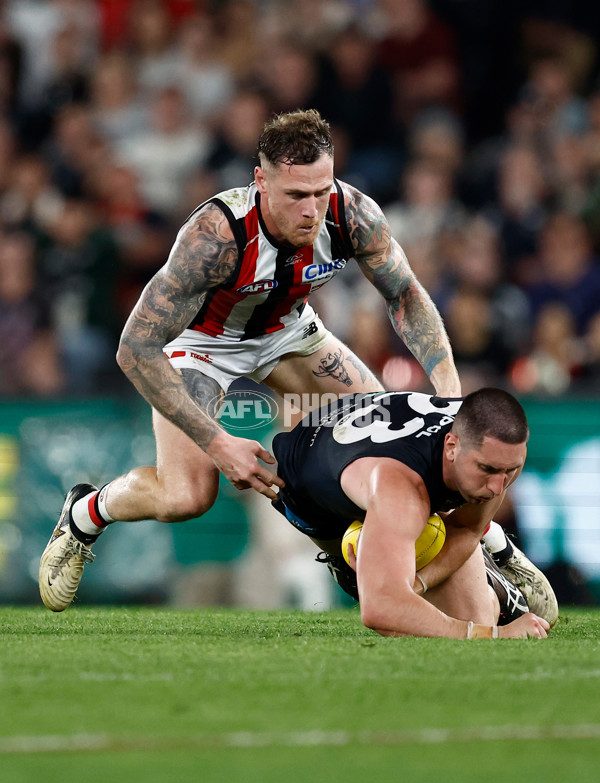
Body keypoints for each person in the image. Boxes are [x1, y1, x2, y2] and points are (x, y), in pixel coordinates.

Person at [39, 108, 461, 612]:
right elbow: (134, 349)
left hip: (288, 332)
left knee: (389, 444)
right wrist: (220, 444)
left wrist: (449, 386)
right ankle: (87, 511)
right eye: (296, 195)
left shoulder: (354, 215)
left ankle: (492, 553)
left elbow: (406, 295)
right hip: (201, 343)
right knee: (187, 497)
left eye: (321, 191)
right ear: (261, 181)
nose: (312, 211)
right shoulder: (215, 237)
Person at [271, 387, 558, 639]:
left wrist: (417, 586)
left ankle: (492, 569)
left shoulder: (487, 434)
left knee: (469, 618)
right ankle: (496, 590)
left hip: (365, 444)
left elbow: (468, 529)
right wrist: (498, 634)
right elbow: (381, 609)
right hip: (317, 502)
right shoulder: (401, 489)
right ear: (451, 447)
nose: (498, 487)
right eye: (488, 469)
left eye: (511, 470)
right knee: (459, 625)